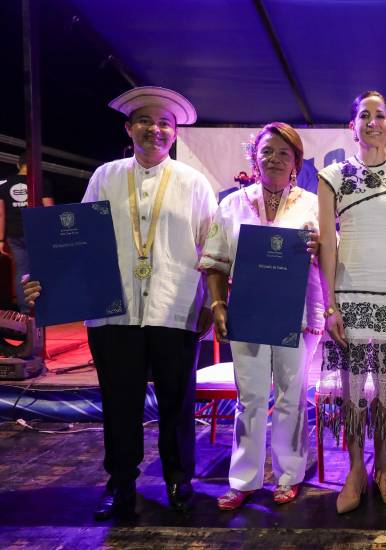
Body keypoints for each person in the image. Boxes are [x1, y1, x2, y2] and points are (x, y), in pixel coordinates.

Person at [25, 86, 217, 520]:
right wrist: (45, 279)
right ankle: (121, 481)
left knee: (176, 400)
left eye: (165, 123)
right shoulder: (106, 177)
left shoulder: (193, 183)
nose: (156, 129)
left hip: (176, 307)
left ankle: (178, 479)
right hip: (113, 310)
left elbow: (211, 246)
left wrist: (212, 303)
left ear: (175, 133)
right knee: (119, 401)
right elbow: (75, 244)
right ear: (129, 128)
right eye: (146, 122)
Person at [199, 122, 324, 510]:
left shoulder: (313, 204)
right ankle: (244, 479)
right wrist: (219, 305)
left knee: (292, 396)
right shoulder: (232, 205)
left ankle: (289, 476)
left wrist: (320, 247)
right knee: (250, 397)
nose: (274, 159)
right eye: (267, 151)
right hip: (248, 312)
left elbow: (330, 259)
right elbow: (215, 262)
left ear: (296, 163)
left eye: (284, 153)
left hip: (299, 313)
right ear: (254, 157)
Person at [317, 91, 386, 514]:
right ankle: (354, 471)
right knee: (352, 394)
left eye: (381, 115)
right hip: (349, 296)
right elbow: (328, 245)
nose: (374, 122)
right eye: (365, 115)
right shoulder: (332, 177)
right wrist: (329, 306)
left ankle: (384, 470)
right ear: (353, 126)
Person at [0, 153, 54, 311]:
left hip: (14, 234)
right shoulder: (42, 182)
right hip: (37, 233)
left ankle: (25, 310)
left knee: (22, 271)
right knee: (40, 269)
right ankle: (44, 308)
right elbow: (49, 210)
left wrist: (0, 240)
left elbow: (1, 214)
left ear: (18, 165)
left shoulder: (3, 184)